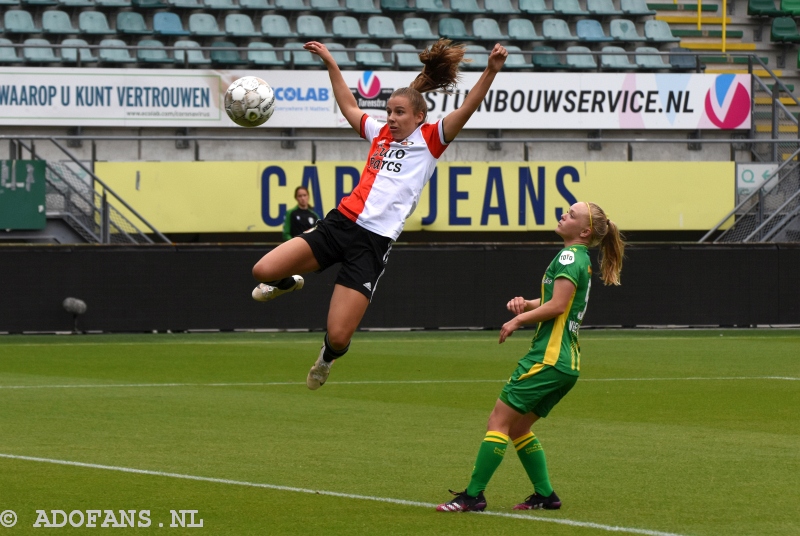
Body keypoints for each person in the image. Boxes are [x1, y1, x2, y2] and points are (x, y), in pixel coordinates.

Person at [251, 40, 509, 390]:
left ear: (419, 116)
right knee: (262, 270)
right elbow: (347, 104)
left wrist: (491, 71)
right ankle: (288, 282)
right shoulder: (380, 135)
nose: (391, 117)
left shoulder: (432, 139)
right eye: (389, 111)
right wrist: (330, 62)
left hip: (372, 243)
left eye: (399, 112)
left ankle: (325, 360)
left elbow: (468, 105)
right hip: (339, 224)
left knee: (339, 337)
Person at [436, 201, 625, 513]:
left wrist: (516, 321)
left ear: (585, 230)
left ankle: (473, 496)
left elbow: (557, 307)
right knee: (519, 428)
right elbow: (555, 299)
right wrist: (527, 304)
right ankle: (546, 495)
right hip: (567, 363)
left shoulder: (567, 256)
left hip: (547, 358)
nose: (564, 214)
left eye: (572, 214)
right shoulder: (579, 258)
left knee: (498, 421)